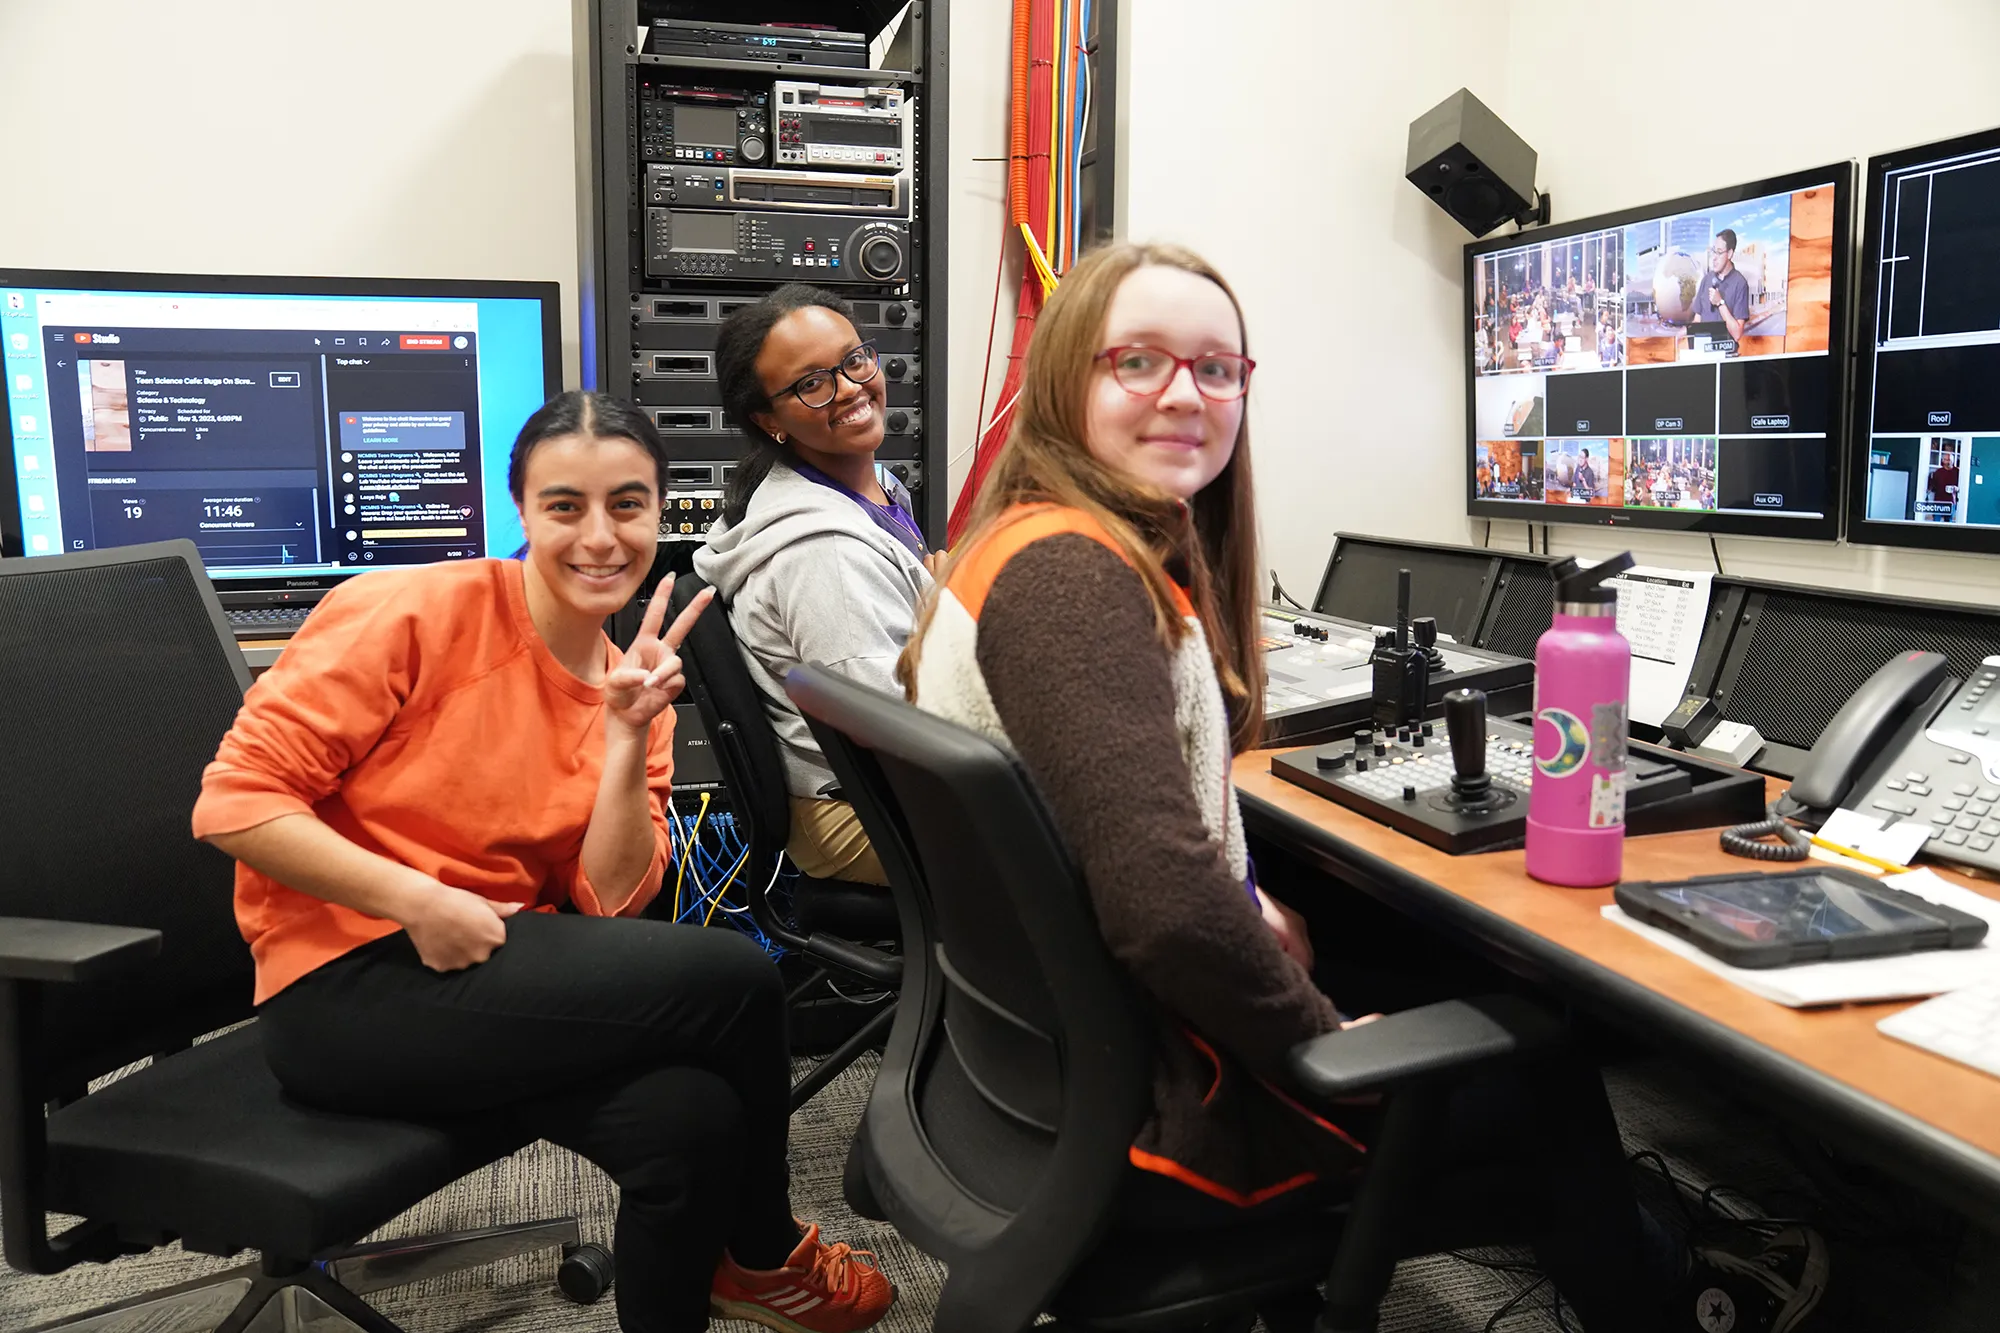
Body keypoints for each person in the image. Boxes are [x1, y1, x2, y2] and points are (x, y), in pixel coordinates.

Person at [896, 241, 1681, 1330]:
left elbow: (1123, 839)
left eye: (1217, 369)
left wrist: (1244, 902)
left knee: (1394, 944)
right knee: (1543, 1050)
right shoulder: (1072, 578)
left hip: (1045, 1060)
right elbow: (1163, 909)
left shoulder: (1024, 542)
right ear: (1067, 376)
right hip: (1158, 1096)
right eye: (1140, 362)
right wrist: (1327, 1044)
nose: (1186, 393)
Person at [193, 391, 893, 1333]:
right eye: (565, 506)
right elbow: (236, 802)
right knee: (735, 974)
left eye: (628, 505)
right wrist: (417, 898)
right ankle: (764, 1251)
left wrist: (622, 735)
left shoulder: (628, 677)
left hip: (492, 978)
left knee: (690, 1123)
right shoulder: (411, 611)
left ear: (660, 511)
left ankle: (720, 1279)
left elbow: (610, 909)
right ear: (521, 509)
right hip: (342, 994)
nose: (599, 536)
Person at [695, 285, 938, 888]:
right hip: (861, 814)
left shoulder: (870, 489)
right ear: (769, 421)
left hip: (880, 790)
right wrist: (952, 621)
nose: (853, 388)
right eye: (812, 384)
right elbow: (889, 729)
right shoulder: (823, 553)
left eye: (855, 360)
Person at [1694, 228, 1751, 344]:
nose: (1714, 257)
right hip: (1703, 352)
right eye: (1714, 251)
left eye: (1719, 252)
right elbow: (1697, 319)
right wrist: (1684, 333)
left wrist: (1720, 303)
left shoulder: (1740, 283)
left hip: (1726, 355)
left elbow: (1737, 334)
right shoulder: (1706, 279)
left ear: (1729, 254)